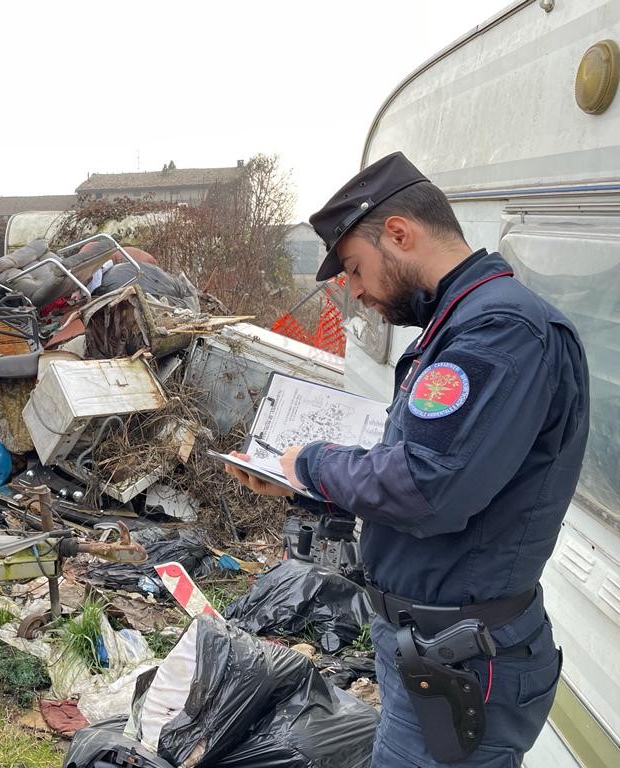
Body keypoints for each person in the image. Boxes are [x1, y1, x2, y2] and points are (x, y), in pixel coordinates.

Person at [225, 152, 589, 767]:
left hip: (462, 660)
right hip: (430, 648)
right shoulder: (460, 326)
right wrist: (296, 483)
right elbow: (420, 464)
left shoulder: (497, 333)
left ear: (399, 232)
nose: (357, 292)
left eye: (356, 269)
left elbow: (427, 486)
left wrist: (311, 462)